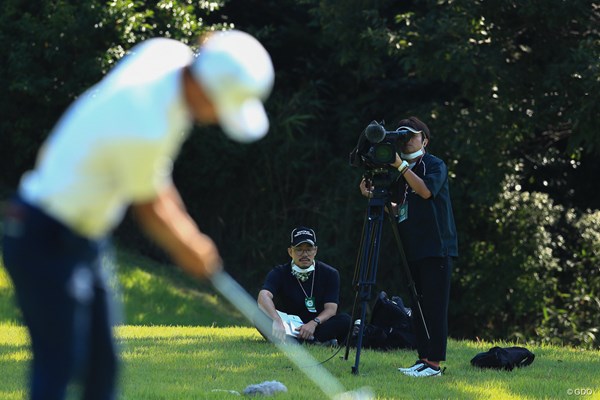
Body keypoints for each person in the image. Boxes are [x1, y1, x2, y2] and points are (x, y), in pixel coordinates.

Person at [1, 30, 274, 399]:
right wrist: (190, 247)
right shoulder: (145, 121)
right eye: (221, 109)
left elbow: (155, 181)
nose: (215, 120)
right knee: (59, 365)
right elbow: (149, 209)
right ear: (206, 90)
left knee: (102, 366)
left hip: (84, 237)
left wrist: (192, 237)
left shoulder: (167, 55)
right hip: (42, 235)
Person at [359, 116, 458, 377]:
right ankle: (423, 358)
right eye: (401, 136)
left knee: (435, 308)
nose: (406, 141)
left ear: (424, 139)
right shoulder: (402, 173)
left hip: (437, 248)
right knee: (418, 306)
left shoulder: (434, 165)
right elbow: (398, 209)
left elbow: (425, 191)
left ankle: (435, 364)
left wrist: (400, 165)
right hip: (413, 249)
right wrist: (373, 195)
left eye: (411, 135)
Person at [257, 227, 351, 346]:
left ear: (315, 251)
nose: (304, 254)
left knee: (345, 320)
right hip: (287, 326)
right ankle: (315, 342)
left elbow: (331, 309)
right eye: (299, 250)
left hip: (316, 326)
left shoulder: (330, 273)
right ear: (290, 251)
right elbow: (263, 296)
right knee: (258, 315)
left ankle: (295, 342)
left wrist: (314, 323)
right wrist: (277, 320)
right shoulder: (279, 272)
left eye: (309, 249)